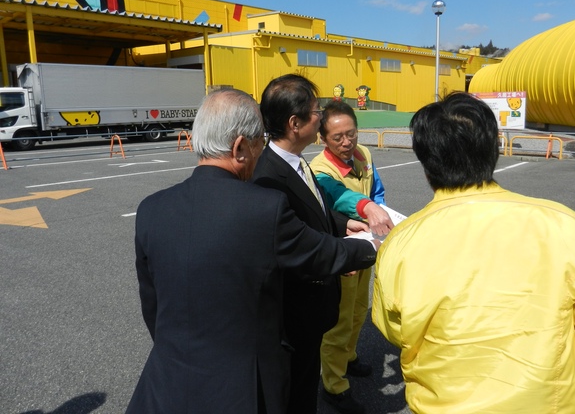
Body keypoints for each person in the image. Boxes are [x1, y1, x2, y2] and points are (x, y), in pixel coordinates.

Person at [372, 92, 575, 414]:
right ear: (495, 151)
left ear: (426, 165)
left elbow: (393, 328)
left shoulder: (401, 243)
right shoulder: (564, 226)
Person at [127, 89, 377, 414]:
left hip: (165, 385)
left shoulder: (151, 210)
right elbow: (320, 255)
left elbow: (153, 309)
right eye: (260, 141)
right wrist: (373, 244)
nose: (263, 150)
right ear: (240, 147)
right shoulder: (263, 209)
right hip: (243, 389)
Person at [252, 74, 377, 414]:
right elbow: (296, 242)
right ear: (295, 124)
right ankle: (332, 392)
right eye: (314, 111)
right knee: (297, 392)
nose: (321, 116)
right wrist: (368, 248)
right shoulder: (268, 177)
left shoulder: (293, 161)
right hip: (296, 313)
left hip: (312, 304)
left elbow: (315, 210)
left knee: (305, 382)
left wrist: (343, 223)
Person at [310, 100, 394, 414]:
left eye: (352, 134)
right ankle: (334, 386)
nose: (347, 143)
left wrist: (382, 211)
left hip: (366, 247)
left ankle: (349, 356)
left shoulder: (365, 155)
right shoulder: (320, 169)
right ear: (322, 138)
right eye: (338, 138)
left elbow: (377, 192)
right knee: (339, 321)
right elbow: (338, 197)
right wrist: (368, 209)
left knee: (360, 310)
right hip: (342, 255)